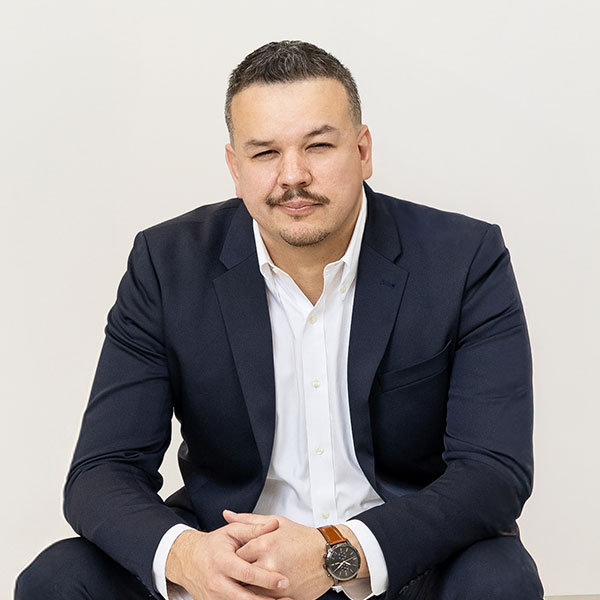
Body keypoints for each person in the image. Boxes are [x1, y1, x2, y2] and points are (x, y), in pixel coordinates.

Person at [15, 40, 544, 600]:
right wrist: (191, 558)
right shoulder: (167, 265)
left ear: (363, 151)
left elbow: (493, 472)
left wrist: (337, 552)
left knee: (499, 576)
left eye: (318, 146)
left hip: (399, 568)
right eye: (265, 153)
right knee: (59, 577)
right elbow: (102, 470)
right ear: (234, 167)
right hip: (230, 567)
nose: (293, 175)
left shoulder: (464, 258)